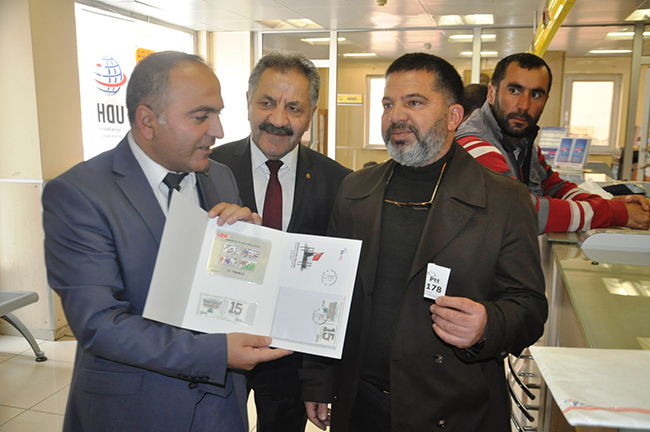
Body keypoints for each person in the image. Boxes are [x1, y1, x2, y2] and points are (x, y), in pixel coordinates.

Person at [42, 51, 291, 432]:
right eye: (201, 116)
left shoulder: (219, 177)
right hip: (132, 411)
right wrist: (216, 353)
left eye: (218, 113)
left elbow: (224, 292)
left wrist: (249, 247)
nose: (218, 130)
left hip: (221, 409)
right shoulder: (80, 194)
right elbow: (99, 323)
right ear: (147, 121)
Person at [301, 52, 548, 432]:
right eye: (388, 104)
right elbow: (327, 295)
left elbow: (529, 309)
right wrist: (318, 380)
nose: (396, 116)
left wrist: (488, 324)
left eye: (414, 103)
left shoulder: (504, 200)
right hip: (360, 404)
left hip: (453, 410)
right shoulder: (355, 190)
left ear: (453, 117)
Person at [211, 50, 351, 432]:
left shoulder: (340, 183)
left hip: (291, 358)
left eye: (294, 108)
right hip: (217, 349)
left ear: (312, 113)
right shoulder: (208, 169)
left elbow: (335, 291)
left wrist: (320, 377)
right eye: (267, 103)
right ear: (248, 102)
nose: (278, 119)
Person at [456, 52, 650, 233]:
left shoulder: (523, 143)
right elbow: (520, 212)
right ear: (492, 93)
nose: (524, 105)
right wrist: (617, 213)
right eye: (514, 91)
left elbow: (556, 188)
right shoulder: (474, 144)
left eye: (535, 95)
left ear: (545, 100)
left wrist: (611, 202)